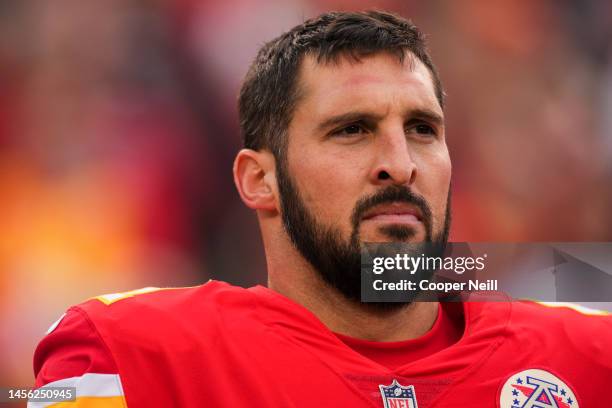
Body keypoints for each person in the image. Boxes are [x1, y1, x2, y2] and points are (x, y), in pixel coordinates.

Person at [30, 11, 610, 408]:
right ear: (260, 180)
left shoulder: (590, 356)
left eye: (422, 129)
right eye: (352, 130)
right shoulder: (125, 355)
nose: (400, 163)